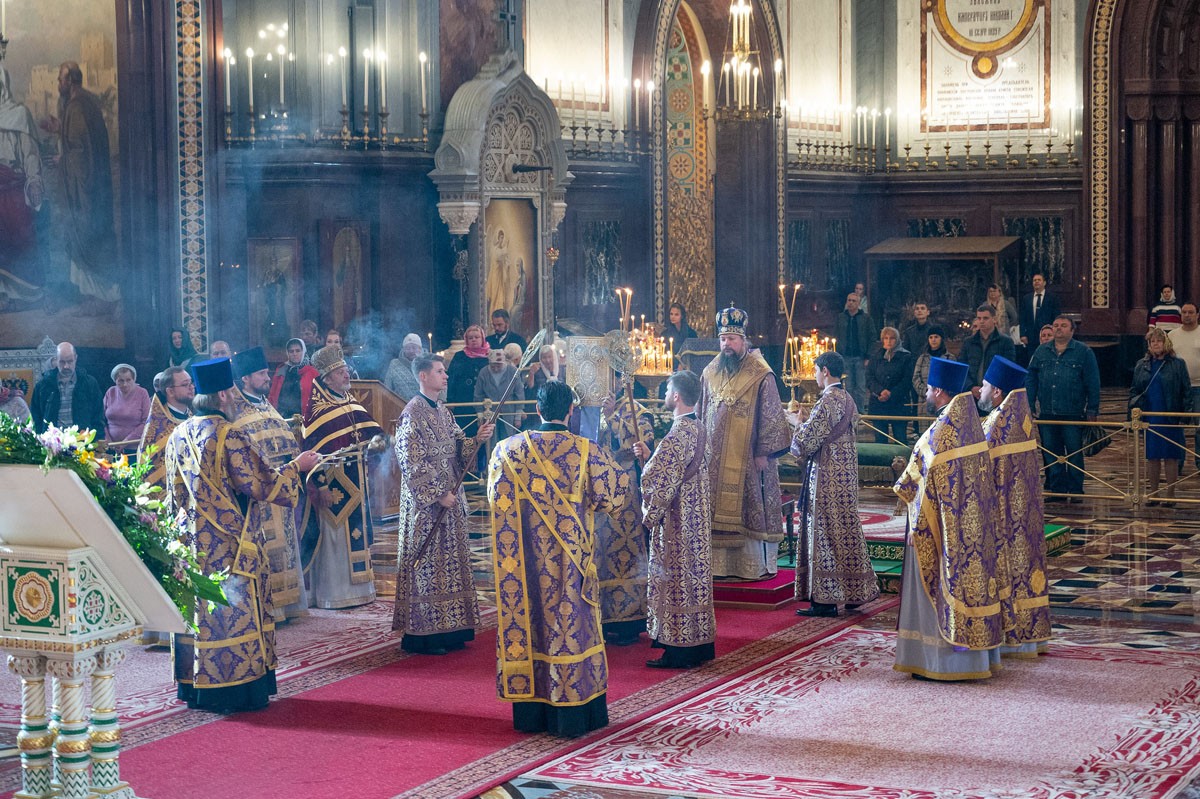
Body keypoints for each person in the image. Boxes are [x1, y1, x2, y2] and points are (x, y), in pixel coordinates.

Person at [165, 357, 319, 713]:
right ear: (222, 394)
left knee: (199, 612)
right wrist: (298, 466)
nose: (235, 397)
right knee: (232, 611)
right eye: (232, 391)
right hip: (228, 544)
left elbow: (173, 490)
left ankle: (194, 686)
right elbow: (259, 483)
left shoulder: (179, 433)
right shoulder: (227, 434)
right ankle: (236, 690)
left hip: (189, 542)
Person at [488, 381, 631, 737]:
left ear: (537, 410)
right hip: (571, 567)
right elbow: (616, 496)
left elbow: (494, 501)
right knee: (572, 627)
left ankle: (531, 714)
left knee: (532, 623)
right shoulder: (586, 451)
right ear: (570, 411)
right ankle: (575, 714)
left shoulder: (506, 451)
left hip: (523, 569)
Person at [893, 357, 1004, 680]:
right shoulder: (969, 423)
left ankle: (938, 661)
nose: (925, 394)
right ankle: (974, 659)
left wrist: (916, 522)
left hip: (940, 527)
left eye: (928, 389)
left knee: (941, 589)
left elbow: (924, 482)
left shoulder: (941, 431)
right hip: (973, 527)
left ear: (939, 391)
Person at [393, 354, 492, 655]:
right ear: (423, 376)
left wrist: (477, 439)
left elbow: (459, 448)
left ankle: (453, 630)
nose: (446, 376)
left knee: (451, 565)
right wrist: (438, 493)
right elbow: (409, 459)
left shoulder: (444, 412)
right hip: (427, 506)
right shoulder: (412, 413)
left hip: (451, 500)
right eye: (439, 371)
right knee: (428, 567)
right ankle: (425, 636)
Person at [697, 304, 791, 580]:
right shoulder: (710, 371)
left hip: (748, 457)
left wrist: (765, 452)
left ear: (744, 341)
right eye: (723, 339)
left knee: (750, 509)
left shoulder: (761, 372)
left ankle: (751, 567)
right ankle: (719, 567)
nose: (727, 344)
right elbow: (702, 411)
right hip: (715, 458)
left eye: (732, 339)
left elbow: (772, 414)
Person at [632, 370, 716, 669]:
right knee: (695, 582)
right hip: (698, 522)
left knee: (676, 582)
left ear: (677, 396)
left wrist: (648, 512)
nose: (664, 394)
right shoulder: (701, 430)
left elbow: (659, 482)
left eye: (667, 389)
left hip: (677, 525)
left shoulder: (675, 436)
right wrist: (651, 456)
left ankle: (677, 650)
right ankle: (700, 645)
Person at [787, 351, 879, 618]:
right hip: (846, 478)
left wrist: (796, 422)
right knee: (846, 531)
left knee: (823, 534)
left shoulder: (827, 401)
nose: (814, 374)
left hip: (826, 478)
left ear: (825, 371)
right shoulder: (848, 399)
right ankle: (855, 592)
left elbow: (805, 442)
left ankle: (824, 601)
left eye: (816, 370)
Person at [300, 345, 384, 609]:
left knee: (357, 534)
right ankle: (334, 594)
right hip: (333, 487)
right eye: (340, 371)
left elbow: (371, 434)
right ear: (327, 377)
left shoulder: (350, 401)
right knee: (335, 540)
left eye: (345, 369)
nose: (347, 374)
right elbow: (311, 451)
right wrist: (320, 487)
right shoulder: (317, 411)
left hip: (357, 482)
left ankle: (361, 591)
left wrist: (380, 445)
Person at [979, 355, 1051, 657]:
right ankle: (1032, 634)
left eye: (984, 386)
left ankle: (1013, 636)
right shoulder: (1020, 416)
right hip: (1028, 514)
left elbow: (980, 465)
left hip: (1005, 514)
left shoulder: (997, 422)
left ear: (997, 391)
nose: (978, 390)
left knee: (1010, 567)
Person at [229, 347, 307, 620]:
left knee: (285, 546)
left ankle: (286, 606)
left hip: (281, 485)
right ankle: (270, 609)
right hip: (259, 492)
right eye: (262, 374)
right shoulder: (235, 410)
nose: (267, 377)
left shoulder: (265, 404)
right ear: (246, 378)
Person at [54, 62, 118, 304]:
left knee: (86, 238)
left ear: (70, 81)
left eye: (60, 79)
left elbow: (80, 152)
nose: (58, 84)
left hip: (84, 192)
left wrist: (63, 159)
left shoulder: (77, 107)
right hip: (92, 185)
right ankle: (90, 297)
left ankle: (103, 297)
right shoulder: (86, 102)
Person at [596, 392, 654, 646]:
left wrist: (612, 419)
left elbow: (640, 445)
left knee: (627, 549)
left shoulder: (637, 410)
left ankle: (630, 619)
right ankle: (602, 616)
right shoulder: (591, 409)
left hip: (627, 487)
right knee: (601, 549)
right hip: (600, 485)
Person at [1025, 316, 1100, 500]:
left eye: (1063, 326)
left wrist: (1092, 409)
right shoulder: (1041, 351)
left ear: (1072, 330)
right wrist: (1029, 403)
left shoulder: (1084, 352)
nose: (1058, 329)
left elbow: (1093, 381)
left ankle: (1075, 490)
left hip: (1072, 412)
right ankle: (1057, 490)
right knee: (1051, 452)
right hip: (1047, 413)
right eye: (1056, 325)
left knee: (1074, 453)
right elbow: (1031, 378)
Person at [0, 64, 45, 307]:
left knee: (18, 241)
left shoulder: (19, 115)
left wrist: (34, 181)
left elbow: (30, 155)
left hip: (12, 188)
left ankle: (21, 295)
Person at [1130, 328, 1190, 504]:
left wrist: (1185, 414)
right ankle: (1153, 493)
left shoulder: (1177, 364)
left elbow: (1185, 390)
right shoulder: (1142, 364)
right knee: (1152, 456)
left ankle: (1170, 494)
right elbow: (1134, 389)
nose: (1155, 344)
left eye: (1158, 341)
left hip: (1170, 415)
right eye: (1152, 341)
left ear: (1166, 343)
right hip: (1150, 416)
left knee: (1171, 455)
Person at [30, 342, 105, 434]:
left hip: (82, 441)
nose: (66, 366)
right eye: (62, 362)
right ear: (56, 360)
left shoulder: (89, 383)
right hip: (52, 442)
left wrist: (98, 439)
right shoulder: (43, 385)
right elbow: (36, 416)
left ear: (76, 358)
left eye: (70, 361)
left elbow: (98, 416)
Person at [139, 366, 193, 489]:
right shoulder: (157, 428)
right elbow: (150, 471)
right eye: (185, 384)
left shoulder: (193, 418)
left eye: (191, 383)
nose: (191, 387)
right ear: (170, 392)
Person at [866, 326, 914, 445]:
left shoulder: (906, 357)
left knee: (900, 439)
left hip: (898, 403)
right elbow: (869, 377)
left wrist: (891, 393)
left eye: (892, 338)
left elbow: (907, 380)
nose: (888, 341)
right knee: (880, 441)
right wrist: (880, 391)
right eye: (885, 338)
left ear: (897, 340)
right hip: (879, 403)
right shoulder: (876, 357)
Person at [958, 303, 1017, 399]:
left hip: (995, 395)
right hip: (972, 394)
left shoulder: (1005, 342)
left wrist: (991, 388)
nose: (981, 321)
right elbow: (962, 368)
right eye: (979, 318)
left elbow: (1007, 369)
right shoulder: (968, 342)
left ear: (994, 319)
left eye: (985, 318)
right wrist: (971, 387)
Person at [1168, 302, 1200, 470]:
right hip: (1177, 389)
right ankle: (1177, 463)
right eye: (1184, 312)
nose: (1187, 315)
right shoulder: (1172, 335)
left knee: (1199, 428)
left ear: (1197, 315)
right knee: (1176, 427)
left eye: (1191, 312)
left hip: (1198, 387)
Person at [834, 291, 876, 411]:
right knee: (848, 385)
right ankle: (850, 410)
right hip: (845, 356)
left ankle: (861, 410)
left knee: (861, 386)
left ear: (858, 303)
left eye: (854, 301)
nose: (851, 303)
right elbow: (836, 336)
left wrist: (868, 356)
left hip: (860, 357)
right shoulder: (841, 317)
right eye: (849, 300)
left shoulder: (866, 318)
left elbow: (872, 337)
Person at [474, 348, 524, 448]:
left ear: (504, 362)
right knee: (492, 443)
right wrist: (479, 415)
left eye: (499, 365)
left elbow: (519, 394)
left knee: (510, 442)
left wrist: (518, 416)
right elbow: (478, 395)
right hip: (489, 412)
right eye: (493, 365)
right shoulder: (484, 372)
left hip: (509, 412)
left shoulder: (513, 371)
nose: (496, 368)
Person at [103, 363, 151, 452]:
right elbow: (101, 419)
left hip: (134, 448)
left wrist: (126, 442)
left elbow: (146, 422)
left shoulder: (142, 393)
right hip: (110, 447)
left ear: (134, 379)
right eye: (120, 381)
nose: (125, 384)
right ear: (115, 381)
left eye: (128, 380)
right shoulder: (110, 392)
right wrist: (108, 439)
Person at [269, 338, 318, 419]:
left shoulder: (313, 372)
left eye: (298, 351)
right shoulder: (281, 370)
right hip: (282, 417)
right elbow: (272, 394)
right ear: (287, 353)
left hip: (305, 419)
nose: (294, 354)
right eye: (291, 351)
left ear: (303, 351)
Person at [447, 324, 490, 410]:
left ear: (482, 339)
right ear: (466, 340)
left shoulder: (489, 355)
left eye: (477, 337)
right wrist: (450, 400)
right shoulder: (459, 356)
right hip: (463, 398)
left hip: (485, 398)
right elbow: (452, 378)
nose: (474, 340)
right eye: (470, 338)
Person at [1019, 273, 1061, 349]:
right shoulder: (1026, 298)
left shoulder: (1052, 298)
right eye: (1034, 280)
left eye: (1039, 280)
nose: (1036, 282)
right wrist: (1022, 334)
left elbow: (1056, 316)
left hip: (1047, 336)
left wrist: (1054, 333)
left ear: (1044, 283)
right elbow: (1022, 318)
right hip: (1030, 336)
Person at [383, 333, 424, 401]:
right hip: (399, 408)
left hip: (423, 407)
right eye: (408, 348)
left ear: (420, 349)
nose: (411, 351)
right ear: (403, 349)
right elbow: (387, 388)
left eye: (414, 348)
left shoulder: (427, 365)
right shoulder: (394, 364)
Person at [911, 325, 947, 401]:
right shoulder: (922, 358)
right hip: (925, 399)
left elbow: (953, 378)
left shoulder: (950, 358)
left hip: (944, 399)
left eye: (936, 337)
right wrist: (926, 392)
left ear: (941, 339)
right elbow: (916, 378)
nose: (933, 340)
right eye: (931, 337)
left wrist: (941, 392)